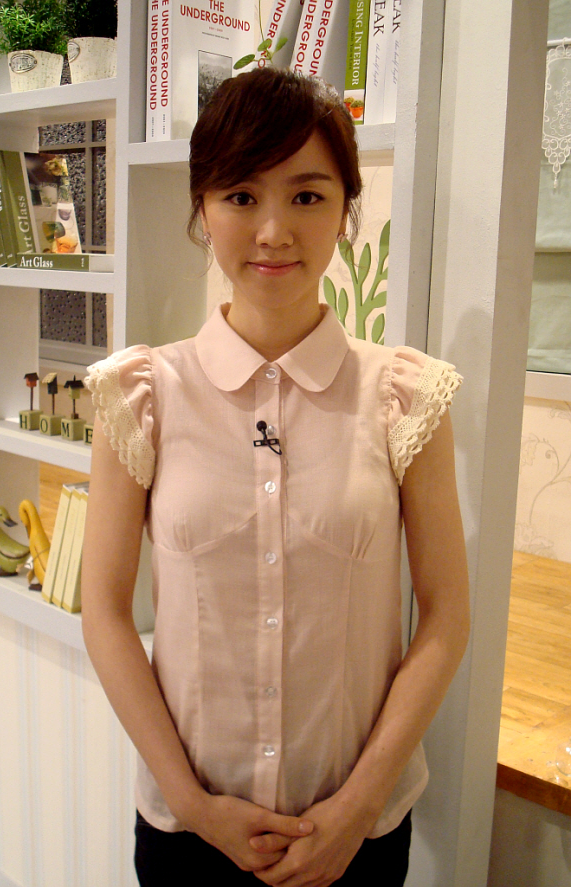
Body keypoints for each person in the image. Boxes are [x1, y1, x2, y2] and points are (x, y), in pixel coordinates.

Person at [82, 67, 469, 887]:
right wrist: (193, 803)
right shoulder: (141, 394)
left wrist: (359, 806)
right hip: (190, 833)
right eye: (241, 195)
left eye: (307, 196)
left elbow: (445, 616)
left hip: (358, 836)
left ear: (346, 208)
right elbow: (107, 613)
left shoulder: (404, 395)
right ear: (203, 207)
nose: (273, 231)